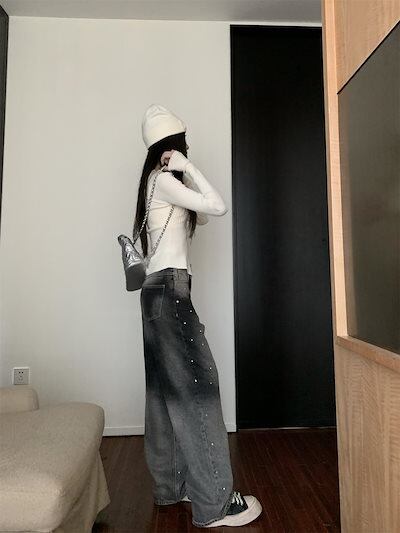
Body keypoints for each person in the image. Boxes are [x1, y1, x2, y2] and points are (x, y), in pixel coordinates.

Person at [135, 103, 263, 528]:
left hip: (155, 294)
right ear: (174, 145)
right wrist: (188, 166)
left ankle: (172, 487)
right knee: (197, 389)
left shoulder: (157, 184)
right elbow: (218, 206)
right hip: (170, 292)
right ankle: (216, 504)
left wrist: (183, 173)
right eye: (183, 144)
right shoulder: (163, 181)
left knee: (164, 393)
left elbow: (202, 216)